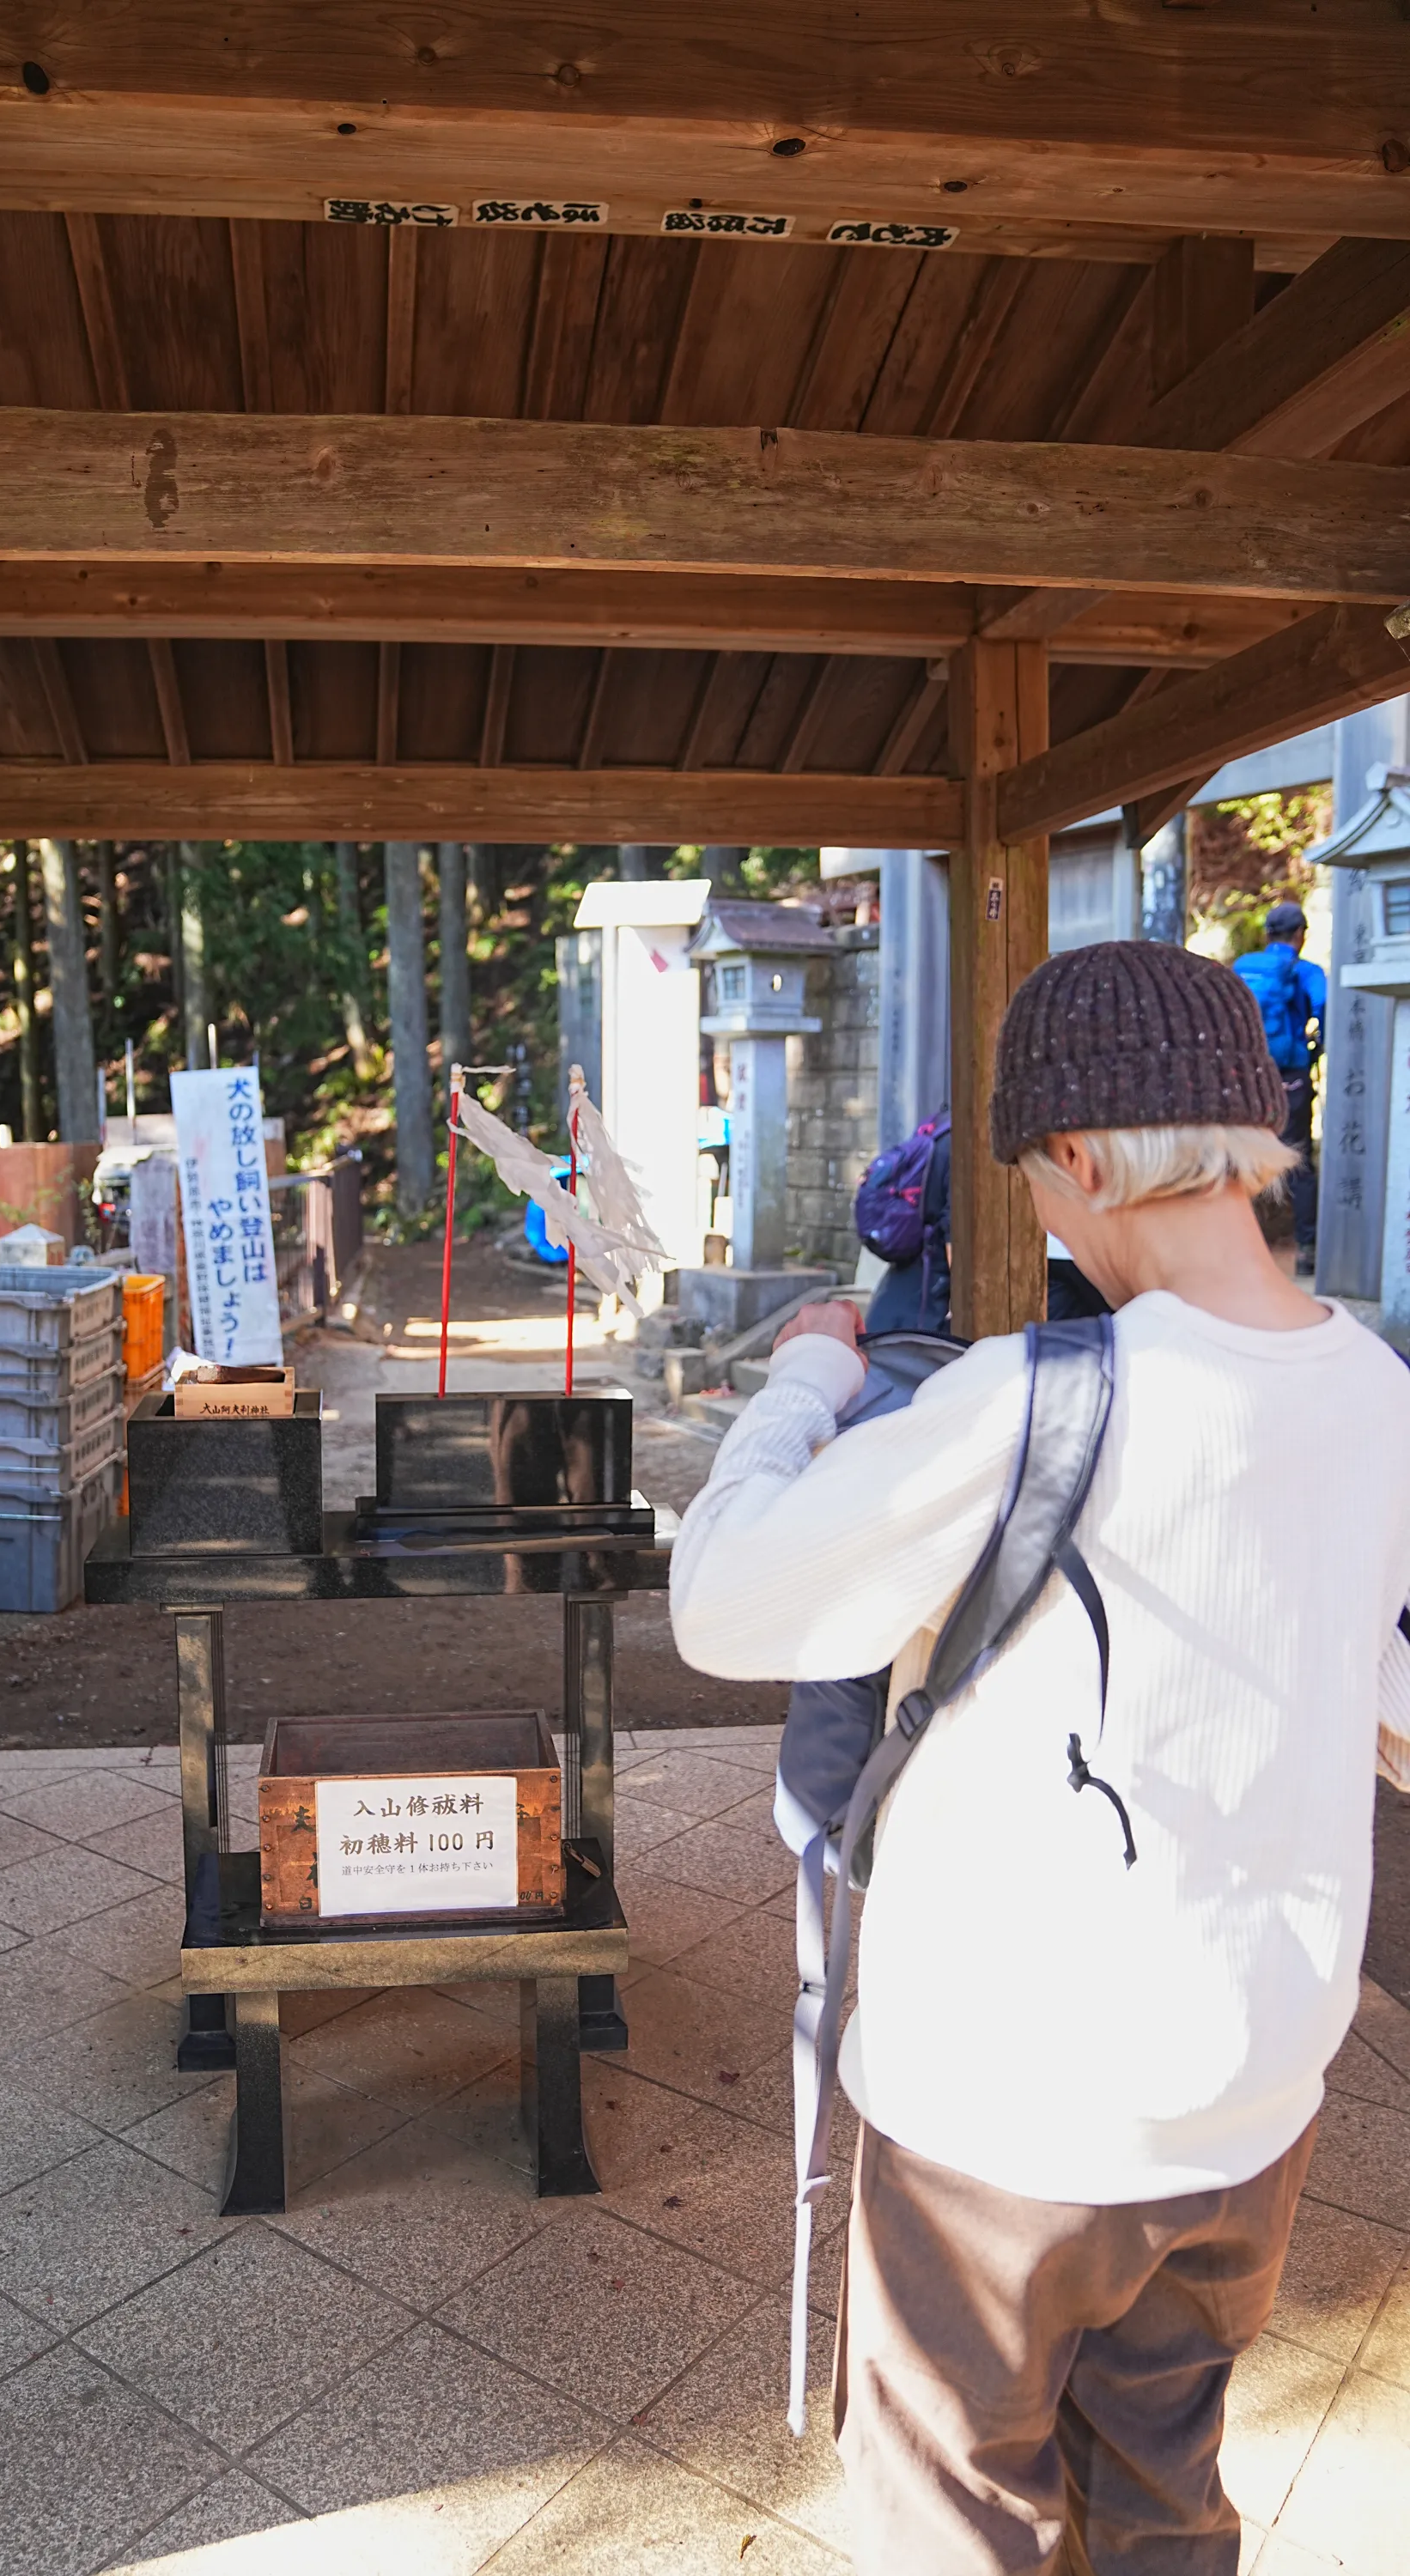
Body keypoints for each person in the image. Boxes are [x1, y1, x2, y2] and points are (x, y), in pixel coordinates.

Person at [670, 939, 1410, 2576]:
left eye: (1037, 1188)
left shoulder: (1030, 1398)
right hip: (1253, 2099)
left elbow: (730, 1604)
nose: (1047, 1224)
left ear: (1083, 1156)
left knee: (954, 2510)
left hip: (1007, 2111)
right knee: (1161, 2495)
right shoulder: (1376, 1392)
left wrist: (800, 1382)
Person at [1233, 898, 1326, 1270]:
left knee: (1247, 1154)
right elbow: (1325, 1009)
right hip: (1290, 1078)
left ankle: (1244, 1247)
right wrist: (1317, 1047)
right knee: (1299, 1161)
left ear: (1268, 934)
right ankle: (1305, 1252)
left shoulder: (1246, 968)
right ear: (1300, 934)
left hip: (1248, 1076)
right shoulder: (1305, 972)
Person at [862, 1113, 951, 1334]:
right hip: (923, 1309)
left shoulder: (941, 1127)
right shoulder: (961, 1144)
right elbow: (954, 1241)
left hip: (895, 1298)